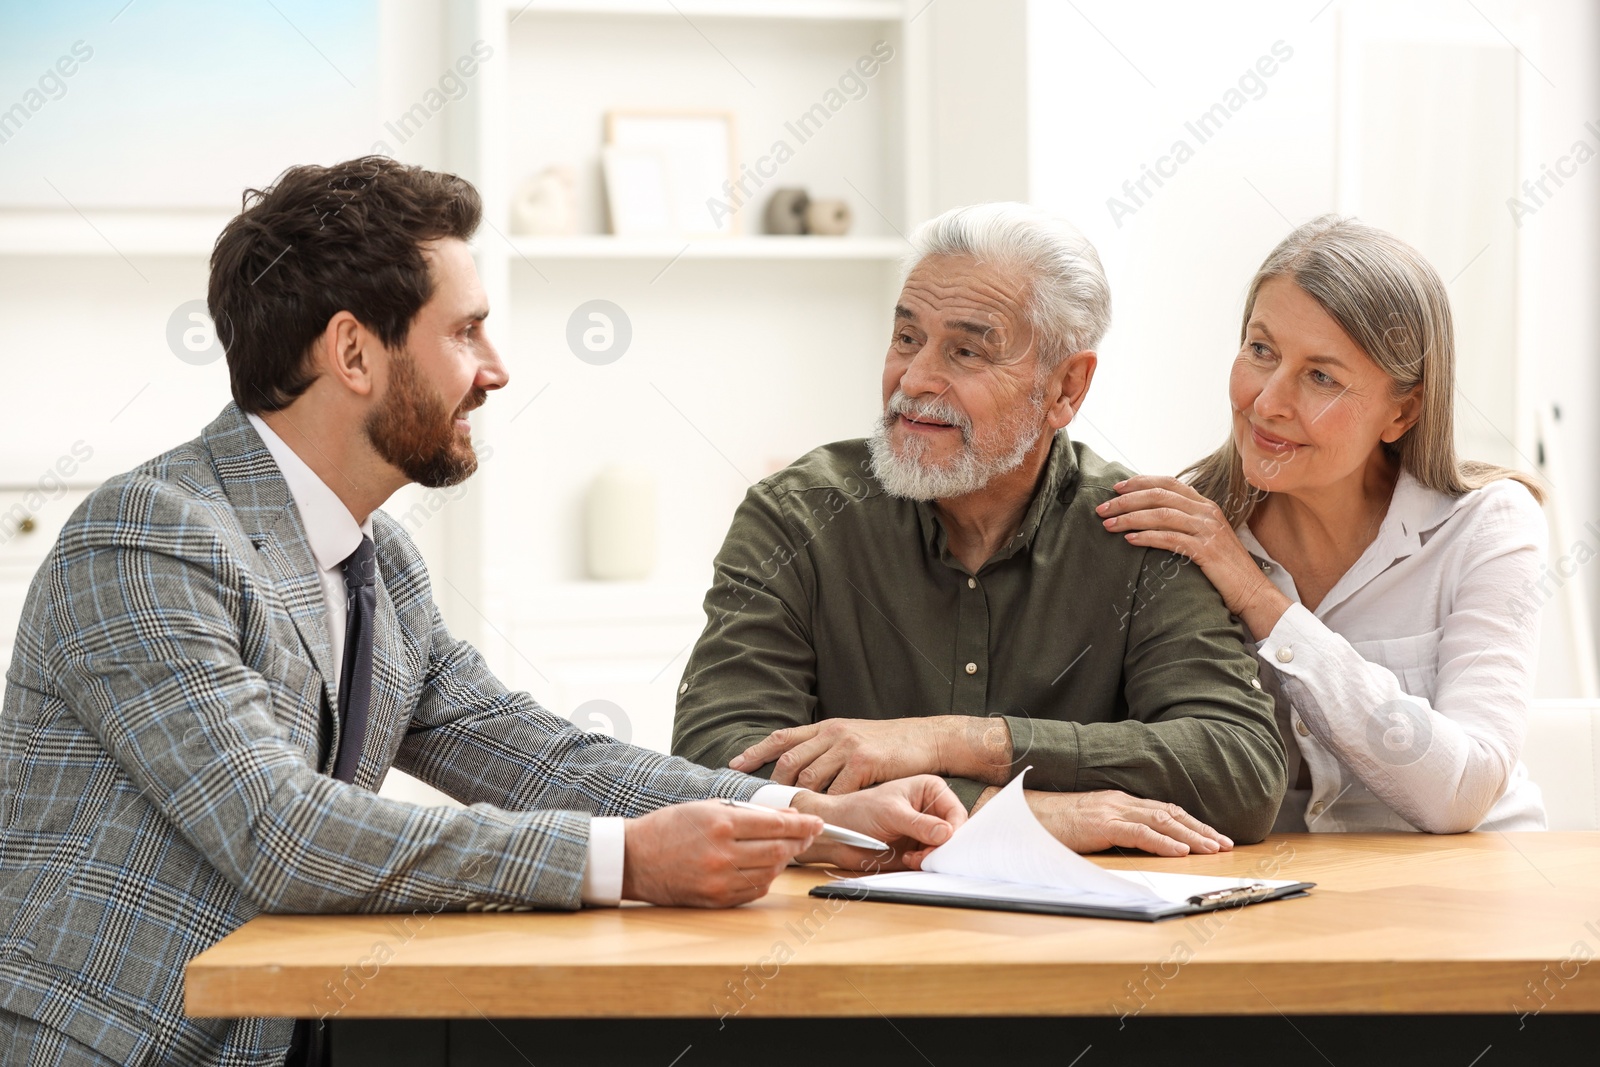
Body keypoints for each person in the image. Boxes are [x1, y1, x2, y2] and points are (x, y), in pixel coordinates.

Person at [0, 157, 963, 1067]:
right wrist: (623, 858)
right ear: (353, 352)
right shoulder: (149, 538)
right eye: (465, 331)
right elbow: (281, 832)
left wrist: (809, 816)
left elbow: (530, 750)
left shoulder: (382, 562)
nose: (494, 369)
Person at [671, 202, 1286, 856]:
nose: (913, 380)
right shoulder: (795, 516)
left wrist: (954, 739)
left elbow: (1240, 768)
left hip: (1085, 947)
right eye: (907, 338)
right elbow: (714, 766)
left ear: (1066, 388)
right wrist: (1020, 815)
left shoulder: (1141, 534)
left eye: (965, 351)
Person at [1097, 214, 1548, 833]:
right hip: (1281, 902)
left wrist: (1258, 599)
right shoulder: (1185, 531)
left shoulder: (1487, 527)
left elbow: (1462, 792)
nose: (1268, 401)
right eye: (1261, 351)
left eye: (1321, 377)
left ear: (1403, 410)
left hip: (1471, 891)